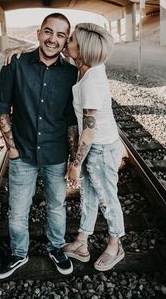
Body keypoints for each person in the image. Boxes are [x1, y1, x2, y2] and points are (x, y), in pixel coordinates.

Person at [0, 13, 78, 279]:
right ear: (39, 33)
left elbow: (71, 120)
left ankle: (56, 247)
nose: (53, 39)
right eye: (48, 32)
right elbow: (2, 108)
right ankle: (19, 253)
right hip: (24, 152)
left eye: (61, 35)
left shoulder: (72, 73)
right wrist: (12, 149)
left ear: (66, 41)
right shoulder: (15, 63)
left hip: (55, 153)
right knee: (18, 209)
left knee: (56, 205)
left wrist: (74, 159)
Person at [63, 23, 125, 271]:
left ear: (83, 49)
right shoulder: (86, 69)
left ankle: (115, 243)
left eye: (71, 40)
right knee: (88, 195)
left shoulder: (92, 82)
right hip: (94, 147)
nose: (67, 42)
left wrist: (75, 165)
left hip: (99, 147)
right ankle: (81, 241)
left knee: (108, 199)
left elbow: (89, 129)